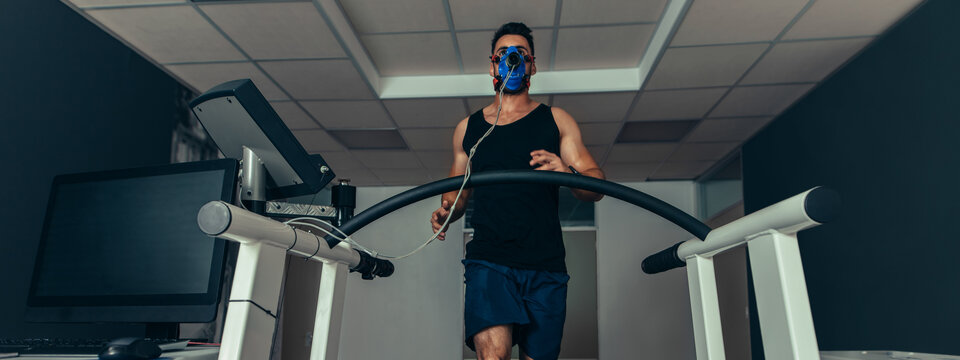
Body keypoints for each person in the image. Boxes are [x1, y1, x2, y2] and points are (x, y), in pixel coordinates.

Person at [429, 22, 605, 360]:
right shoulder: (469, 128)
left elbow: (595, 183)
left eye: (520, 54)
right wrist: (446, 212)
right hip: (490, 258)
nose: (512, 60)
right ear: (493, 64)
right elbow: (457, 193)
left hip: (545, 263)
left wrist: (567, 173)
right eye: (504, 55)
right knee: (492, 356)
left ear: (532, 66)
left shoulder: (556, 119)